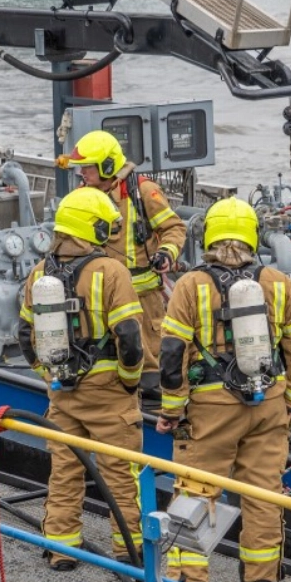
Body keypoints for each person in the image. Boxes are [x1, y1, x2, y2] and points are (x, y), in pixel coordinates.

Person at [155, 197, 291, 582]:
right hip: (270, 404)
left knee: (195, 490)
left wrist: (172, 410)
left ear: (208, 236)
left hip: (210, 408)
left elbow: (172, 353)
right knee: (262, 493)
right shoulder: (279, 282)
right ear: (253, 236)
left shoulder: (191, 285)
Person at [18, 187, 146, 571]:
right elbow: (129, 337)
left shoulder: (39, 273)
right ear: (93, 228)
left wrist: (47, 374)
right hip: (109, 394)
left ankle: (61, 549)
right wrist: (128, 379)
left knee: (65, 471)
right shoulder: (111, 271)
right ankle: (131, 553)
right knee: (121, 477)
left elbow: (25, 336)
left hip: (62, 392)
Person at [64, 130, 186, 403]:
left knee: (151, 359)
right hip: (102, 294)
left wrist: (166, 252)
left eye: (88, 168)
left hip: (144, 296)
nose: (82, 173)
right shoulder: (84, 196)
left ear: (107, 166)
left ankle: (153, 405)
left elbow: (173, 228)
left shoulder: (143, 191)